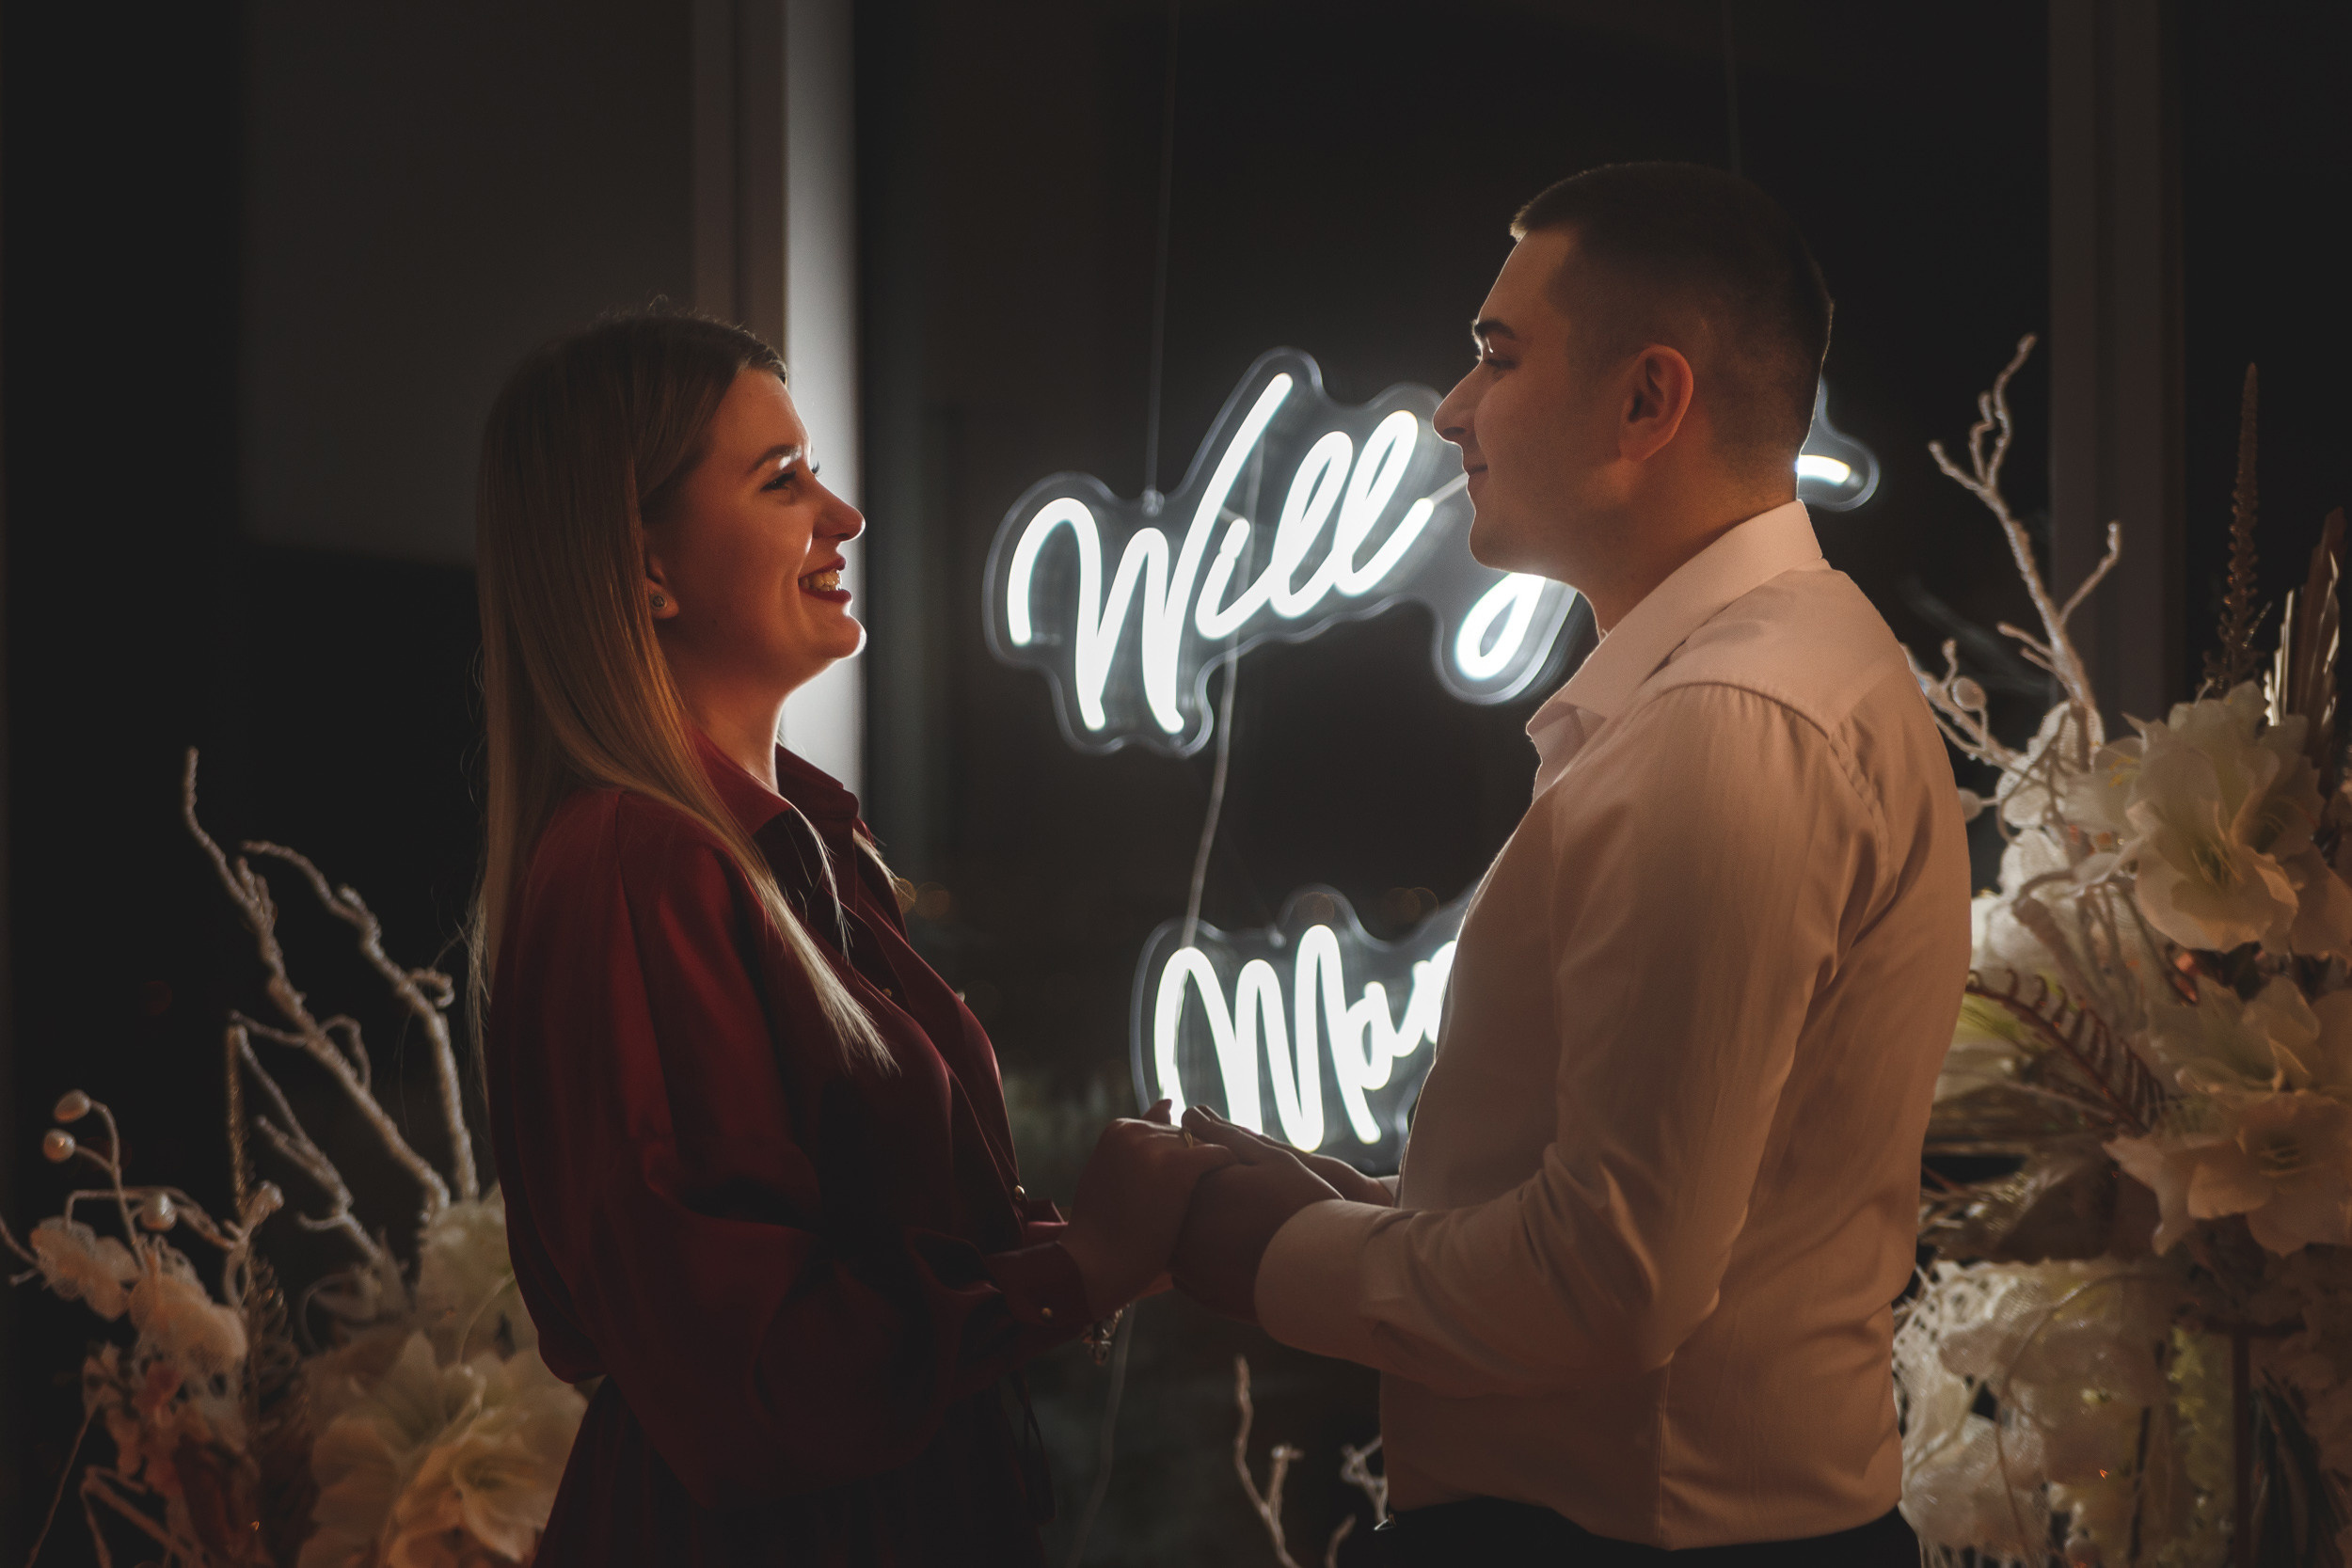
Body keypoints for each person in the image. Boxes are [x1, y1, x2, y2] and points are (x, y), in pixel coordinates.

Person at [1171, 163, 1972, 1564]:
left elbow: (1614, 1278)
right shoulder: (1757, 682)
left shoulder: (1730, 723)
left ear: (1647, 401)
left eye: (1497, 355)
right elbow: (1678, 1217)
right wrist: (1338, 1209)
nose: (1449, 408)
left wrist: (1245, 1249)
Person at [472, 310, 1232, 1566]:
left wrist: (1120, 1233)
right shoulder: (644, 869)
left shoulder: (795, 850)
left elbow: (856, 1265)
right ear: (646, 568)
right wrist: (1080, 1270)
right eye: (782, 480)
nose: (846, 515)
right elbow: (755, 1373)